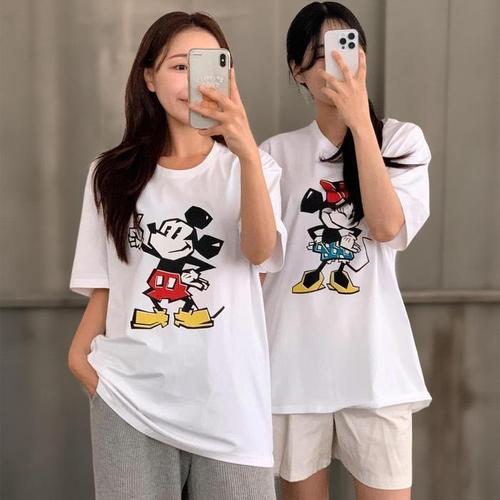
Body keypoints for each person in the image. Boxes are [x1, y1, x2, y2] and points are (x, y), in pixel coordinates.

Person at [67, 11, 285, 500]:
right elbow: (109, 284)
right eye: (179, 66)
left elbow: (259, 251)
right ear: (149, 77)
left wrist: (246, 151)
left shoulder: (255, 168)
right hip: (130, 401)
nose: (192, 82)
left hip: (229, 407)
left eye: (206, 66)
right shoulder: (110, 175)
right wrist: (81, 360)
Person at [259, 3, 432, 499]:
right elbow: (260, 263)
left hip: (376, 367)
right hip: (293, 365)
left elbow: (387, 226)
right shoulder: (274, 154)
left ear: (363, 56)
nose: (334, 64)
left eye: (345, 47)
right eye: (319, 55)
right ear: (297, 71)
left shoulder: (400, 141)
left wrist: (360, 124)